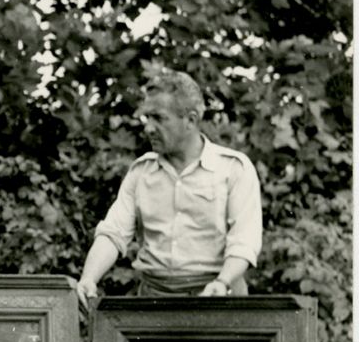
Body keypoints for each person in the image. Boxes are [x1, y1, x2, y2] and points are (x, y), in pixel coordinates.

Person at [75, 70, 262, 309]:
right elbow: (113, 233)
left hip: (218, 299)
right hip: (154, 301)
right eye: (147, 118)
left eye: (159, 118)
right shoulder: (141, 172)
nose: (148, 128)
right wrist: (89, 278)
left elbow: (244, 241)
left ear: (191, 120)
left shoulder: (233, 169)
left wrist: (222, 282)